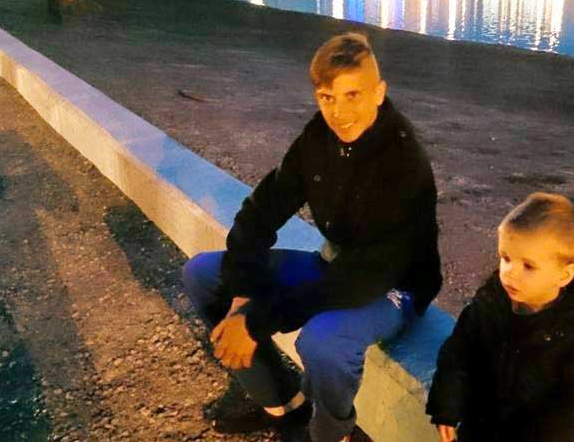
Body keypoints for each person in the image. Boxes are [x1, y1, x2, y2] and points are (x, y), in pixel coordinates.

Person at [182, 32, 441, 442]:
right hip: (334, 267)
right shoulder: (317, 138)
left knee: (322, 342)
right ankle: (284, 408)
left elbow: (363, 279)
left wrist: (256, 322)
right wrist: (242, 297)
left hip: (392, 285)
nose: (340, 113)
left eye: (353, 95)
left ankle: (331, 434)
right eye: (327, 98)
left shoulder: (403, 162)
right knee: (202, 273)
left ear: (379, 93)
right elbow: (260, 212)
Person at [426, 192, 574, 442]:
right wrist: (447, 404)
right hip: (478, 428)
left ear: (564, 275)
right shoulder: (492, 300)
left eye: (528, 266)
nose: (509, 273)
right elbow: (460, 349)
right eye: (505, 258)